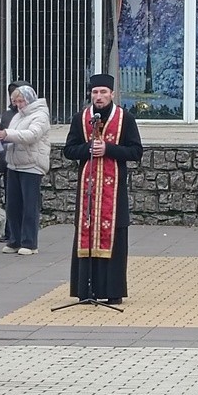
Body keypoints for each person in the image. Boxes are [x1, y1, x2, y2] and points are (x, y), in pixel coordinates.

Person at [62, 73, 143, 304]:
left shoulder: (125, 118)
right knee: (85, 235)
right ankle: (85, 291)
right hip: (88, 194)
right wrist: (88, 148)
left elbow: (136, 152)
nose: (99, 97)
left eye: (103, 92)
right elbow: (69, 150)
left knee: (115, 235)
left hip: (113, 195)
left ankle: (113, 291)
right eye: (95, 92)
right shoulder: (81, 118)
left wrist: (108, 148)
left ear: (112, 94)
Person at [0, 84, 50, 256]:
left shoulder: (40, 115)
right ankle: (14, 240)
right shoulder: (18, 116)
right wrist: (0, 140)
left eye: (21, 101)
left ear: (29, 99)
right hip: (14, 164)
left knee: (29, 206)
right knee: (13, 205)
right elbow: (13, 135)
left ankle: (29, 242)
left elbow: (32, 135)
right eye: (15, 101)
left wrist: (7, 135)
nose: (18, 104)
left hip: (31, 165)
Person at [0, 80, 28, 245]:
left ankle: (25, 234)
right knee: (11, 200)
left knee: (26, 200)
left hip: (27, 161)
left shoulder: (33, 114)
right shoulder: (7, 114)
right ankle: (11, 232)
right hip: (9, 161)